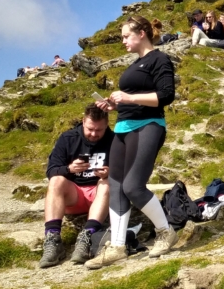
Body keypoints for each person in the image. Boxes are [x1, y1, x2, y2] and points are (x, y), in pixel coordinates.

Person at [86, 15, 177, 269]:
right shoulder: (134, 64)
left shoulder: (159, 59)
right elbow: (132, 99)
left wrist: (127, 97)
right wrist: (114, 106)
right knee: (115, 186)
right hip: (123, 127)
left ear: (142, 33)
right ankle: (117, 247)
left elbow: (165, 95)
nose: (123, 40)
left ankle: (165, 231)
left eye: (126, 35)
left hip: (148, 126)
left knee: (133, 186)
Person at [39, 104, 115, 267]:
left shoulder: (114, 139)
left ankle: (87, 236)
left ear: (106, 125)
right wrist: (69, 169)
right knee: (56, 180)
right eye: (90, 129)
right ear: (83, 121)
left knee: (108, 182)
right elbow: (51, 170)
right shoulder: (68, 138)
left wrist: (111, 171)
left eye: (99, 130)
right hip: (74, 195)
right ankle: (53, 240)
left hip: (100, 195)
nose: (94, 134)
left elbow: (127, 171)